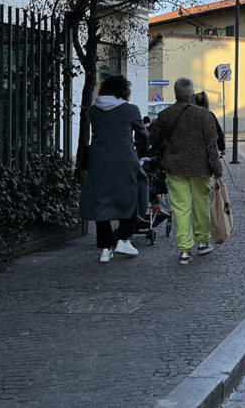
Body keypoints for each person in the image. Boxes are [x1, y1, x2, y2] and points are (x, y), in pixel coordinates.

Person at [151, 77, 222, 265]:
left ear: (175, 93)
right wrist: (217, 169)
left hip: (175, 168)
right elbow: (211, 146)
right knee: (201, 204)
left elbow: (154, 140)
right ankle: (202, 241)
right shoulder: (204, 115)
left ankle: (184, 250)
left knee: (181, 208)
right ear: (191, 93)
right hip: (201, 169)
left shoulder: (165, 115)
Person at [79, 74, 149, 263]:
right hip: (124, 162)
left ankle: (104, 248)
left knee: (102, 202)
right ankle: (123, 239)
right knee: (129, 197)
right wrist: (140, 143)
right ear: (124, 91)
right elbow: (143, 135)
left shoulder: (94, 110)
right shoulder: (131, 110)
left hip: (99, 161)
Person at [194, 91, 226, 156]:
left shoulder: (192, 115)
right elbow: (218, 133)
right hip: (208, 152)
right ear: (206, 102)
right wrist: (222, 148)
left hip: (194, 151)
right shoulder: (210, 115)